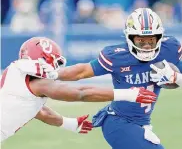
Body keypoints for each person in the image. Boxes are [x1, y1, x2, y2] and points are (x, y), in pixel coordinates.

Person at [39, 8, 182, 149]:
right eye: (140, 40)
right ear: (129, 38)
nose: (146, 45)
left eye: (151, 40)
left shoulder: (168, 50)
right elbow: (82, 71)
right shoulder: (117, 56)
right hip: (118, 122)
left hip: (141, 123)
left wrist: (175, 76)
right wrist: (54, 74)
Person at [0, 37, 157, 142]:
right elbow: (80, 93)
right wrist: (129, 94)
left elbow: (39, 111)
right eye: (55, 61)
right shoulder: (38, 82)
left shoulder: (19, 76)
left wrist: (70, 124)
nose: (56, 67)